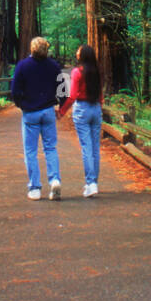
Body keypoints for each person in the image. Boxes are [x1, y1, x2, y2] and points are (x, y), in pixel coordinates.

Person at [10, 37, 64, 201]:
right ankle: (55, 180)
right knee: (50, 148)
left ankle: (35, 188)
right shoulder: (54, 66)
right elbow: (63, 89)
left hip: (30, 112)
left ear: (32, 48)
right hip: (48, 111)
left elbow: (14, 90)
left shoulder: (23, 66)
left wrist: (21, 104)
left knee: (31, 151)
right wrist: (59, 105)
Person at [57, 43, 103, 197]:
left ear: (82, 55)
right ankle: (94, 182)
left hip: (82, 109)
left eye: (79, 51)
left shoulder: (77, 72)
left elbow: (73, 95)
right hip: (96, 108)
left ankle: (90, 183)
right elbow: (101, 94)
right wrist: (100, 108)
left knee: (86, 148)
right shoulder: (97, 71)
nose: (76, 52)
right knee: (95, 148)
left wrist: (62, 111)